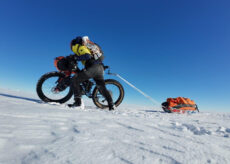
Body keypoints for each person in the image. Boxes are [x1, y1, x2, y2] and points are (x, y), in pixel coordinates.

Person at [67, 36, 115, 110]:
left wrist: (75, 58)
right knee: (102, 88)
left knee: (74, 80)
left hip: (93, 67)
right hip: (100, 68)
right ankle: (111, 105)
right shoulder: (88, 47)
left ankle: (78, 103)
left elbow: (87, 56)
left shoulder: (80, 47)